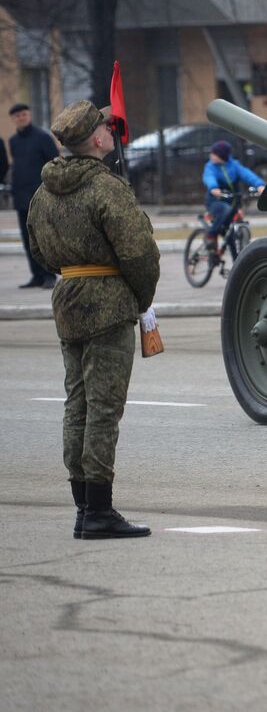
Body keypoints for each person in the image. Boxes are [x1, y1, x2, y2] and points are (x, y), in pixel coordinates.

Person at [25, 100, 161, 539]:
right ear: (99, 139)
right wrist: (142, 297)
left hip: (68, 300)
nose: (109, 131)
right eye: (105, 127)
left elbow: (41, 253)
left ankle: (84, 508)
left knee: (77, 405)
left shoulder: (43, 193)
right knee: (104, 408)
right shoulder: (107, 188)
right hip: (108, 304)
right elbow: (139, 253)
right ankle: (100, 511)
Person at [9, 102, 61, 288]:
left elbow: (55, 163)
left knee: (43, 238)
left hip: (40, 196)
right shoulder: (13, 141)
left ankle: (49, 275)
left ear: (29, 115)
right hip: (21, 196)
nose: (21, 118)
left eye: (24, 114)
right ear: (13, 119)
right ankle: (36, 275)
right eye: (17, 116)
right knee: (27, 238)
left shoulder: (42, 137)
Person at [202, 140, 264, 247]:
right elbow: (209, 177)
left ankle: (237, 261)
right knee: (225, 209)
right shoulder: (210, 167)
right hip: (215, 201)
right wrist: (214, 188)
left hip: (232, 201)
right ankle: (211, 235)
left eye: (214, 153)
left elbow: (247, 175)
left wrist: (259, 185)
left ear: (221, 156)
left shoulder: (234, 165)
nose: (211, 155)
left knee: (231, 233)